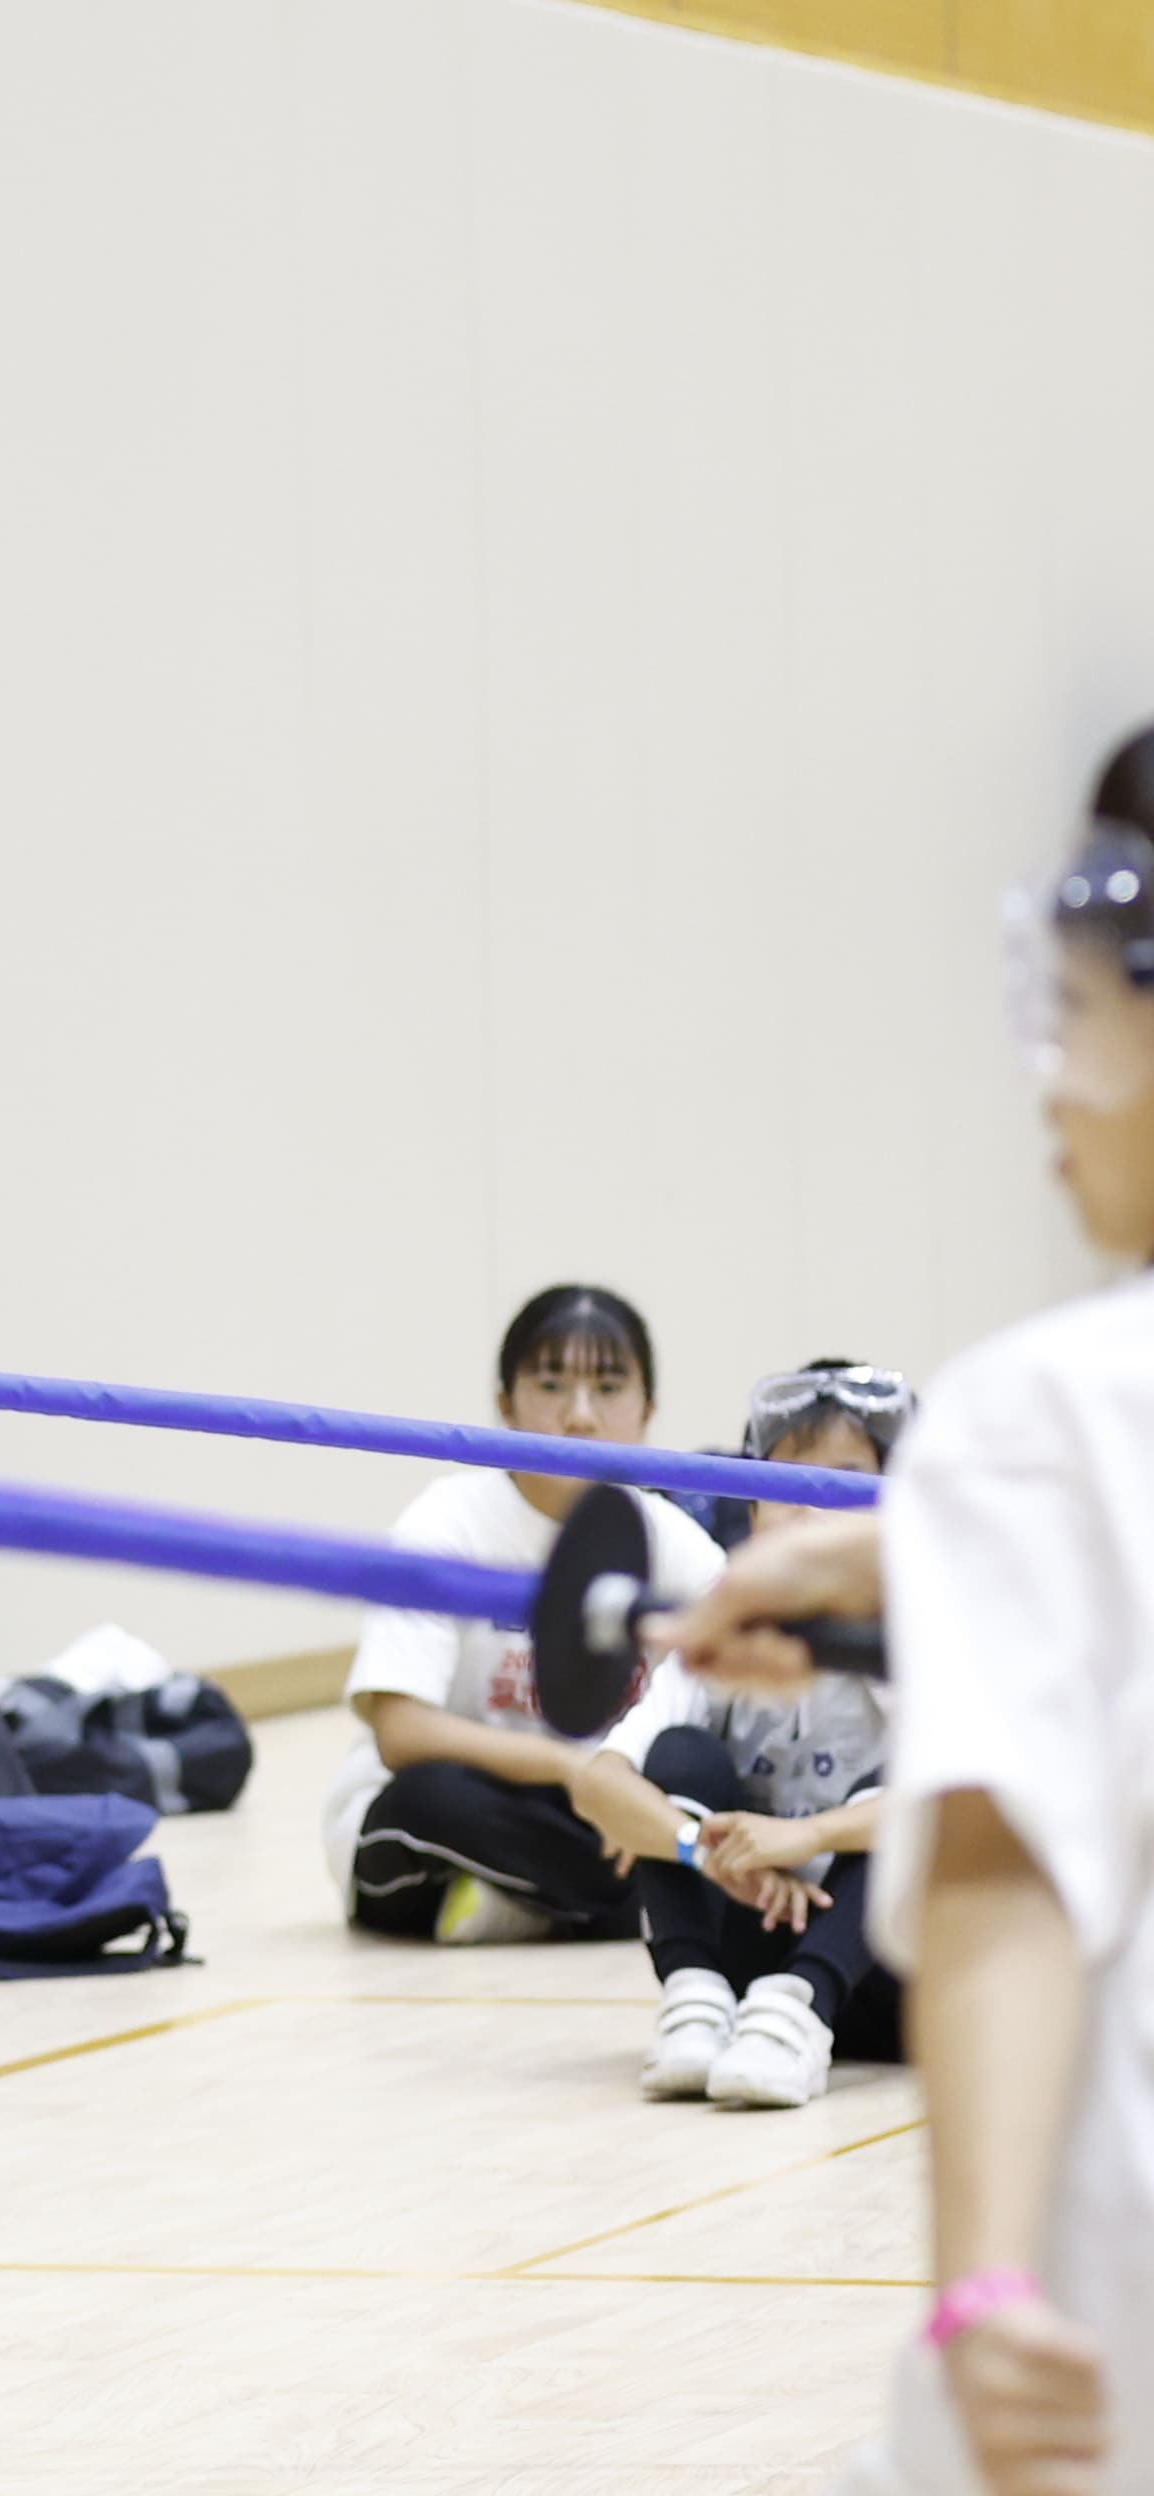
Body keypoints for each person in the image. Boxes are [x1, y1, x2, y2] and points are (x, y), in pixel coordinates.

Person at [684, 787, 1154, 2496]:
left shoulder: (1038, 1412)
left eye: (1085, 1009)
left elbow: (996, 1876)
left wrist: (975, 2290)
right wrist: (915, 1574)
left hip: (1095, 2357)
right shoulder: (1027, 1455)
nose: (1047, 1075)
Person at [320, 1284, 728, 1943]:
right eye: (551, 1385)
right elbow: (402, 1732)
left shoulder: (672, 1543)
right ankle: (651, 1902)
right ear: (506, 1405)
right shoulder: (446, 1522)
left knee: (701, 1775)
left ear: (647, 1410)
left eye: (609, 1387)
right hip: (460, 1813)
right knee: (428, 1798)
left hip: (604, 1810)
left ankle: (522, 1903)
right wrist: (575, 1769)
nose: (581, 1416)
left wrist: (630, 1792)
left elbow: (729, 1710)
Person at [569, 1364, 913, 2108]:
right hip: (750, 1954)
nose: (813, 1511)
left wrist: (807, 1835)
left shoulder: (917, 1636)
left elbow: (954, 1803)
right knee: (676, 1759)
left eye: (845, 1483)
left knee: (905, 1786)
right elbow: (597, 1783)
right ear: (753, 1507)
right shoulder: (721, 1620)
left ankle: (804, 2004)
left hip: (882, 1971)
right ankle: (693, 2001)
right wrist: (706, 1848)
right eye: (791, 1486)